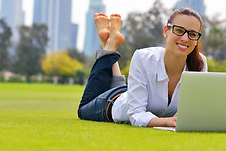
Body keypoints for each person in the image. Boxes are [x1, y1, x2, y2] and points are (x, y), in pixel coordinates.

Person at [78, 7, 207, 127]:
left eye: (192, 34)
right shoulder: (144, 57)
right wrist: (167, 121)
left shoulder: (200, 64)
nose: (185, 38)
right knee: (83, 109)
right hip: (112, 103)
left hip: (130, 94)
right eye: (179, 30)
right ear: (166, 31)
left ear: (197, 39)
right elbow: (136, 114)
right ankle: (110, 43)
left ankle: (108, 42)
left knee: (125, 91)